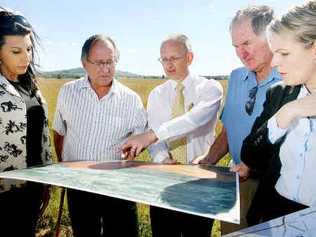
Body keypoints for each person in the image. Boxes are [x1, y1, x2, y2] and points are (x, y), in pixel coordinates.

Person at [122, 34, 223, 237]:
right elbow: (156, 139)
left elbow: (194, 119)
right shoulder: (156, 95)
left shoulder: (210, 88)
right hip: (165, 182)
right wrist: (162, 159)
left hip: (200, 180)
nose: (168, 65)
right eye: (164, 59)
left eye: (174, 58)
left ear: (190, 57)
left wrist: (151, 135)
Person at [197, 5, 281, 234]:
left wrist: (253, 167)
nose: (241, 53)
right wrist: (208, 158)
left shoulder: (291, 80)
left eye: (247, 43)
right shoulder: (236, 77)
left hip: (276, 191)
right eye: (236, 46)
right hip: (237, 184)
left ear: (271, 36)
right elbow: (228, 131)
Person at [53, 34, 147, 237]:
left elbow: (141, 139)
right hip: (78, 185)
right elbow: (59, 132)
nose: (106, 69)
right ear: (84, 63)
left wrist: (132, 152)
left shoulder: (131, 100)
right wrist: (63, 165)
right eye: (99, 63)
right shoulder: (68, 92)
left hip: (118, 187)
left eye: (110, 62)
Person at [238, 0, 316, 224]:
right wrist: (286, 113)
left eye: (284, 53)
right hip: (273, 214)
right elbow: (249, 155)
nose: (274, 63)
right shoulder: (279, 94)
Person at [0, 7, 52, 237]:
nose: (26, 57)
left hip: (33, 186)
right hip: (5, 192)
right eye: (16, 51)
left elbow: (43, 134)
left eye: (29, 49)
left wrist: (47, 178)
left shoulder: (31, 86)